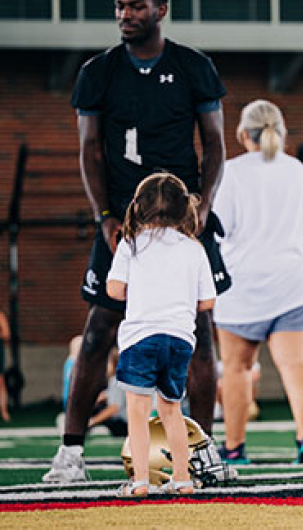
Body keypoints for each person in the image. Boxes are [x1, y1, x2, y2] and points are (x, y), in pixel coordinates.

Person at [44, 0, 230, 484]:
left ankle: (201, 453)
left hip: (184, 220)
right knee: (100, 328)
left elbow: (215, 143)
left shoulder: (193, 67)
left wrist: (204, 206)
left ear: (161, 10)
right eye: (120, 6)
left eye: (136, 6)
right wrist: (105, 215)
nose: (125, 14)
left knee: (201, 332)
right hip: (124, 221)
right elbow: (89, 150)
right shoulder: (98, 72)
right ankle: (70, 454)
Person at [213, 99, 303, 465]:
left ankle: (234, 448)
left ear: (242, 134)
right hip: (294, 283)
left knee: (236, 368)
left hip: (242, 286)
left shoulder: (230, 172)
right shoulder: (296, 170)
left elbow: (221, 229)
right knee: (295, 363)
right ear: (281, 132)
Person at [107, 172, 217, 496]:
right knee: (172, 410)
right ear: (185, 208)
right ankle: (182, 478)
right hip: (180, 339)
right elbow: (208, 300)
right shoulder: (194, 248)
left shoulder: (131, 245)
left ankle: (140, 481)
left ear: (137, 207)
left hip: (140, 337)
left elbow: (114, 289)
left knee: (138, 412)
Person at [87, 348, 128, 437]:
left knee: (98, 410)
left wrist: (92, 421)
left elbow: (114, 408)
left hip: (123, 424)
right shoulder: (123, 378)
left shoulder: (115, 381)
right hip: (127, 422)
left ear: (114, 364)